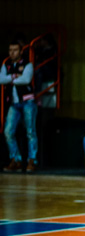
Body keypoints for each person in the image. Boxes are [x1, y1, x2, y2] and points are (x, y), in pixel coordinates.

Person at [1, 40, 38, 172]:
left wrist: (10, 79)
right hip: (14, 103)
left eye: (15, 50)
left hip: (28, 101)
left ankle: (32, 160)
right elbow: (1, 79)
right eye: (10, 50)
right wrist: (15, 76)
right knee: (8, 131)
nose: (12, 53)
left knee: (30, 132)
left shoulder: (28, 64)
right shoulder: (6, 64)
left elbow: (26, 79)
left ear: (21, 51)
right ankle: (15, 159)